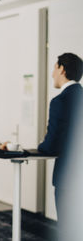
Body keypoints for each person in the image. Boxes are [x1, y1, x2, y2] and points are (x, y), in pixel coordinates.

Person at [38, 53, 82, 226]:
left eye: (54, 68)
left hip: (68, 176)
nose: (52, 74)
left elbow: (51, 144)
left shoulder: (60, 101)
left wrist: (40, 147)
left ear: (62, 69)